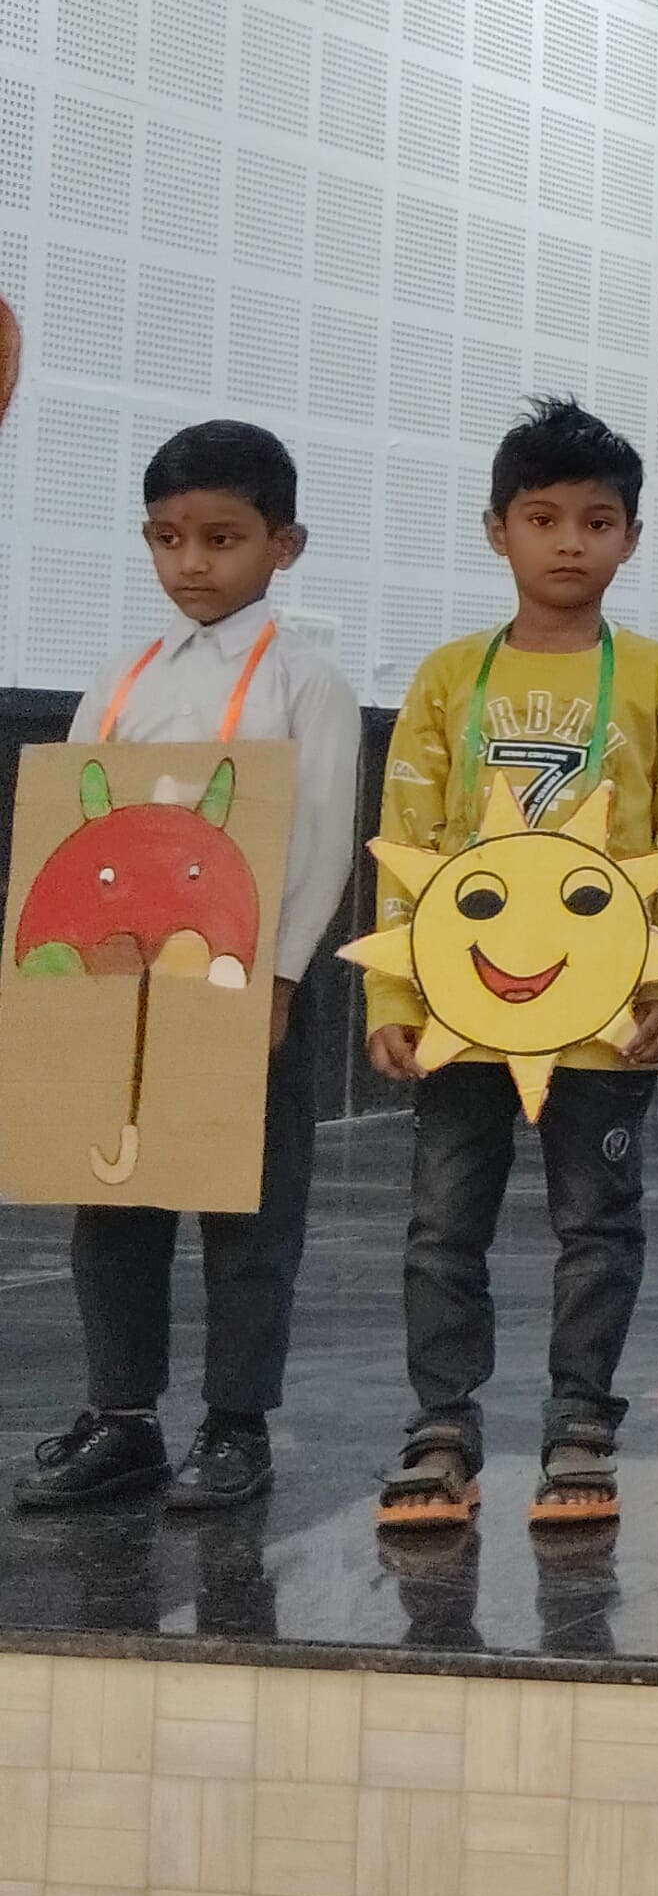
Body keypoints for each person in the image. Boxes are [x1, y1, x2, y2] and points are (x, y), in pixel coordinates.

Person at [368, 398, 658, 1534]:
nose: (570, 542)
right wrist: (391, 993)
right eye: (543, 518)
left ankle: (581, 1422)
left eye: (597, 521)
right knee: (443, 1225)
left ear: (631, 537)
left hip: (606, 1015)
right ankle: (442, 1426)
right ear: (498, 531)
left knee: (599, 1224)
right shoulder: (447, 678)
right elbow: (406, 838)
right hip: (463, 1010)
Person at [14, 424, 363, 1516]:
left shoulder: (305, 681)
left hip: (242, 982)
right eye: (168, 540)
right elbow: (72, 831)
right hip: (119, 985)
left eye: (222, 538)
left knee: (249, 1211)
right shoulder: (122, 682)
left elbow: (318, 840)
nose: (193, 563)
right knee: (112, 1197)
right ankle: (122, 1417)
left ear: (284, 545)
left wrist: (281, 979)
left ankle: (235, 1425)